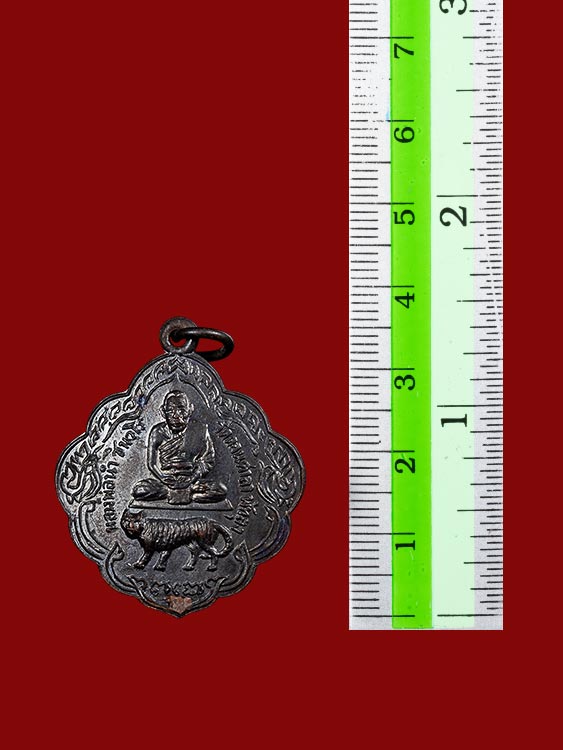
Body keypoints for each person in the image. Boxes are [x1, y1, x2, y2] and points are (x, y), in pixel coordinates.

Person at [132, 390, 225, 504]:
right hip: (166, 481)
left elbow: (208, 460)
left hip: (192, 480)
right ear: (163, 412)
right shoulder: (157, 432)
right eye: (171, 411)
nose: (176, 416)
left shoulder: (200, 430)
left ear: (190, 410)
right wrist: (163, 478)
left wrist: (192, 478)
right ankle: (184, 494)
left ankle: (182, 492)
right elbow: (151, 464)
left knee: (220, 490)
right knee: (140, 490)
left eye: (181, 410)